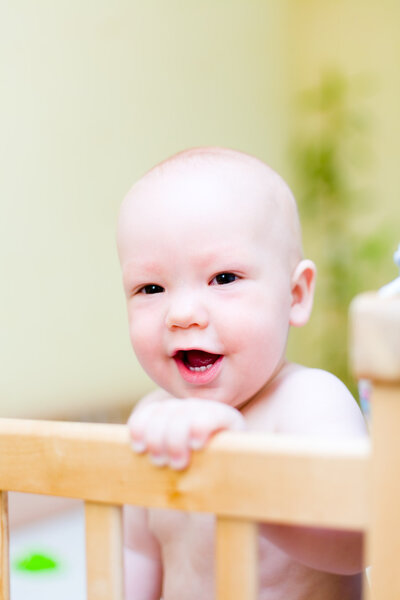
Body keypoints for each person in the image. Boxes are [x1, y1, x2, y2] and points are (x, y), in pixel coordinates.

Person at [116, 147, 367, 600]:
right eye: (150, 288)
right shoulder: (151, 421)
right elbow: (138, 556)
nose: (183, 313)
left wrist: (241, 469)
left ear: (295, 295)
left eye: (224, 278)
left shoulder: (311, 402)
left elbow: (359, 541)